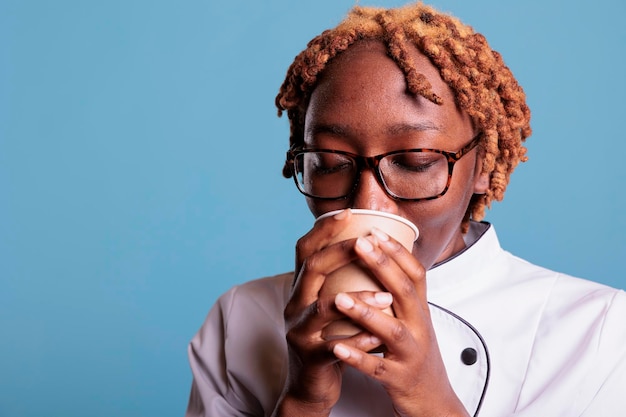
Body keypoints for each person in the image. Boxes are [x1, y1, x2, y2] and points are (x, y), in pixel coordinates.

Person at [185, 2, 626, 416]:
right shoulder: (241, 317)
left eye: (414, 163)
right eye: (330, 165)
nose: (367, 204)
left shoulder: (598, 331)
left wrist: (429, 396)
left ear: (483, 168)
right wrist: (302, 399)